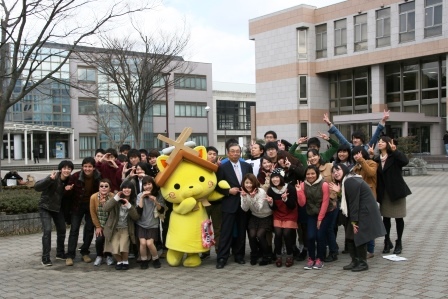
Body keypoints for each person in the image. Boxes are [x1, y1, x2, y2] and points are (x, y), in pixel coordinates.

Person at [330, 163, 386, 271]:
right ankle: (354, 261)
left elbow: (353, 203)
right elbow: (348, 200)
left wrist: (354, 222)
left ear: (345, 170)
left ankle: (363, 263)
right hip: (359, 210)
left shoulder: (350, 181)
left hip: (364, 212)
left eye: (338, 170)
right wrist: (340, 192)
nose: (335, 173)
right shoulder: (347, 180)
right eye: (333, 172)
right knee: (350, 236)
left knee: (359, 237)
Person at [215, 142, 253, 269]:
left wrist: (248, 192)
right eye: (233, 151)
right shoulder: (222, 168)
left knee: (242, 231)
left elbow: (252, 183)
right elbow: (216, 186)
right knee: (226, 232)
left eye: (238, 151)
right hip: (229, 203)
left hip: (243, 203)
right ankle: (222, 257)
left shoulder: (247, 166)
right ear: (228, 153)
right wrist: (228, 191)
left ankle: (239, 255)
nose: (235, 153)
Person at [373, 136, 411, 255]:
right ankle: (386, 241)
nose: (380, 143)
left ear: (389, 144)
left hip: (397, 191)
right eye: (379, 142)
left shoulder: (394, 156)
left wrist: (395, 151)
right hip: (384, 193)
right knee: (386, 218)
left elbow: (405, 161)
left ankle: (399, 242)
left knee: (399, 218)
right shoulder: (377, 159)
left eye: (383, 142)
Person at [35, 160, 74, 266]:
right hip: (45, 207)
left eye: (69, 168)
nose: (66, 170)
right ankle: (45, 258)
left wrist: (68, 190)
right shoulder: (53, 177)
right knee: (47, 231)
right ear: (60, 169)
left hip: (58, 209)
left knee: (62, 229)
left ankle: (60, 253)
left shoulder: (70, 181)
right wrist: (48, 179)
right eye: (64, 168)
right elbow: (37, 187)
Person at [65, 157, 101, 266]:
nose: (87, 169)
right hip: (77, 206)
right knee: (74, 230)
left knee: (89, 229)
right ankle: (70, 255)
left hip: (91, 206)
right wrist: (68, 190)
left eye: (90, 166)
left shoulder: (98, 177)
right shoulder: (75, 176)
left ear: (94, 167)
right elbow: (67, 194)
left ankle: (85, 252)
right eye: (85, 166)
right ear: (82, 167)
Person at [296, 165, 330, 270]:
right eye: (308, 174)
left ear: (317, 174)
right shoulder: (302, 185)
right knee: (310, 236)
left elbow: (325, 202)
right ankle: (311, 258)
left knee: (320, 236)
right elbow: (302, 204)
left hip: (323, 214)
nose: (310, 176)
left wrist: (320, 219)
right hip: (310, 214)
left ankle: (320, 259)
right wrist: (299, 192)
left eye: (312, 173)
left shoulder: (324, 184)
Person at [103, 180, 140, 270]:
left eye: (129, 188)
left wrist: (129, 206)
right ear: (121, 189)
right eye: (124, 188)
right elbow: (105, 208)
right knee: (115, 249)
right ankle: (119, 261)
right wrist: (116, 198)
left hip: (126, 228)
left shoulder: (134, 201)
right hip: (114, 228)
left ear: (132, 190)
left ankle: (125, 261)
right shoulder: (116, 199)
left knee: (124, 246)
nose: (127, 190)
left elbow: (136, 217)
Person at [266, 168, 298, 268]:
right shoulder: (271, 190)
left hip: (290, 213)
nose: (275, 179)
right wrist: (271, 202)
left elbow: (292, 205)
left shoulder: (290, 188)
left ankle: (290, 255)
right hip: (278, 214)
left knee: (287, 233)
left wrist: (285, 199)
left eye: (277, 177)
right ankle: (278, 256)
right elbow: (274, 208)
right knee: (278, 233)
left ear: (281, 177)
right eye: (273, 178)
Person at [351, 146, 378, 258]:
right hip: (358, 199)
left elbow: (371, 173)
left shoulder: (372, 163)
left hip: (369, 199)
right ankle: (362, 248)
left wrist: (362, 161)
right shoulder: (355, 168)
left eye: (359, 153)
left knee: (369, 225)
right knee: (360, 224)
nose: (357, 156)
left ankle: (370, 250)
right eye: (355, 154)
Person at [240, 173, 272, 266]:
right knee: (252, 235)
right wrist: (245, 197)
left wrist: (253, 198)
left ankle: (267, 256)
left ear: (254, 183)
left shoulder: (261, 192)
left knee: (260, 235)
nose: (248, 185)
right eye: (246, 183)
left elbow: (259, 208)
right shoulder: (243, 192)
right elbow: (245, 209)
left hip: (266, 216)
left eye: (250, 183)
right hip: (255, 216)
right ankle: (254, 255)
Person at [136, 176, 166, 269]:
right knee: (143, 243)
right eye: (145, 184)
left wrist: (155, 201)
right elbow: (138, 211)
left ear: (153, 184)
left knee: (149, 243)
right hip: (141, 224)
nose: (147, 186)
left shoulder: (158, 194)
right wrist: (141, 198)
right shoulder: (140, 195)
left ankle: (155, 259)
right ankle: (144, 260)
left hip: (153, 224)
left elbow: (161, 210)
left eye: (149, 184)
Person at [323, 110, 389, 150]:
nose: (354, 140)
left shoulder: (368, 147)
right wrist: (329, 123)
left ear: (362, 139)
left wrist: (383, 120)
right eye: (353, 138)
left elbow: (376, 135)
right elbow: (339, 135)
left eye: (357, 138)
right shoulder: (350, 146)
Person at [201, 146, 222, 260]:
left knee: (218, 228)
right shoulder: (200, 167)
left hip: (217, 203)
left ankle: (219, 249)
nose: (212, 156)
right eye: (210, 153)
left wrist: (218, 169)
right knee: (205, 227)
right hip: (204, 203)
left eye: (214, 154)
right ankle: (205, 250)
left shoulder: (220, 168)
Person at [90, 178, 115, 267]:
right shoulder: (93, 197)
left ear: (110, 188)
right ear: (99, 188)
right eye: (101, 186)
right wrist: (98, 226)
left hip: (110, 224)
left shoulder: (113, 197)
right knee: (99, 239)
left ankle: (108, 255)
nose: (103, 188)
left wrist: (106, 204)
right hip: (100, 223)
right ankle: (99, 256)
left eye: (106, 186)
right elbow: (93, 213)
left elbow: (113, 212)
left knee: (108, 238)